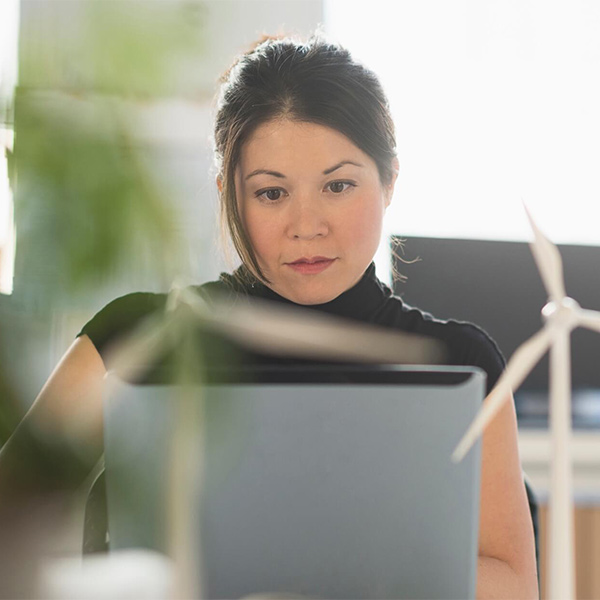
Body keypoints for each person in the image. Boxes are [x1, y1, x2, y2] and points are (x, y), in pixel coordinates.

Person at [0, 34, 538, 598]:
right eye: (272, 193)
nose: (307, 225)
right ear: (228, 193)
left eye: (338, 185)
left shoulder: (459, 364)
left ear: (389, 182)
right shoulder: (134, 340)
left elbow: (514, 584)